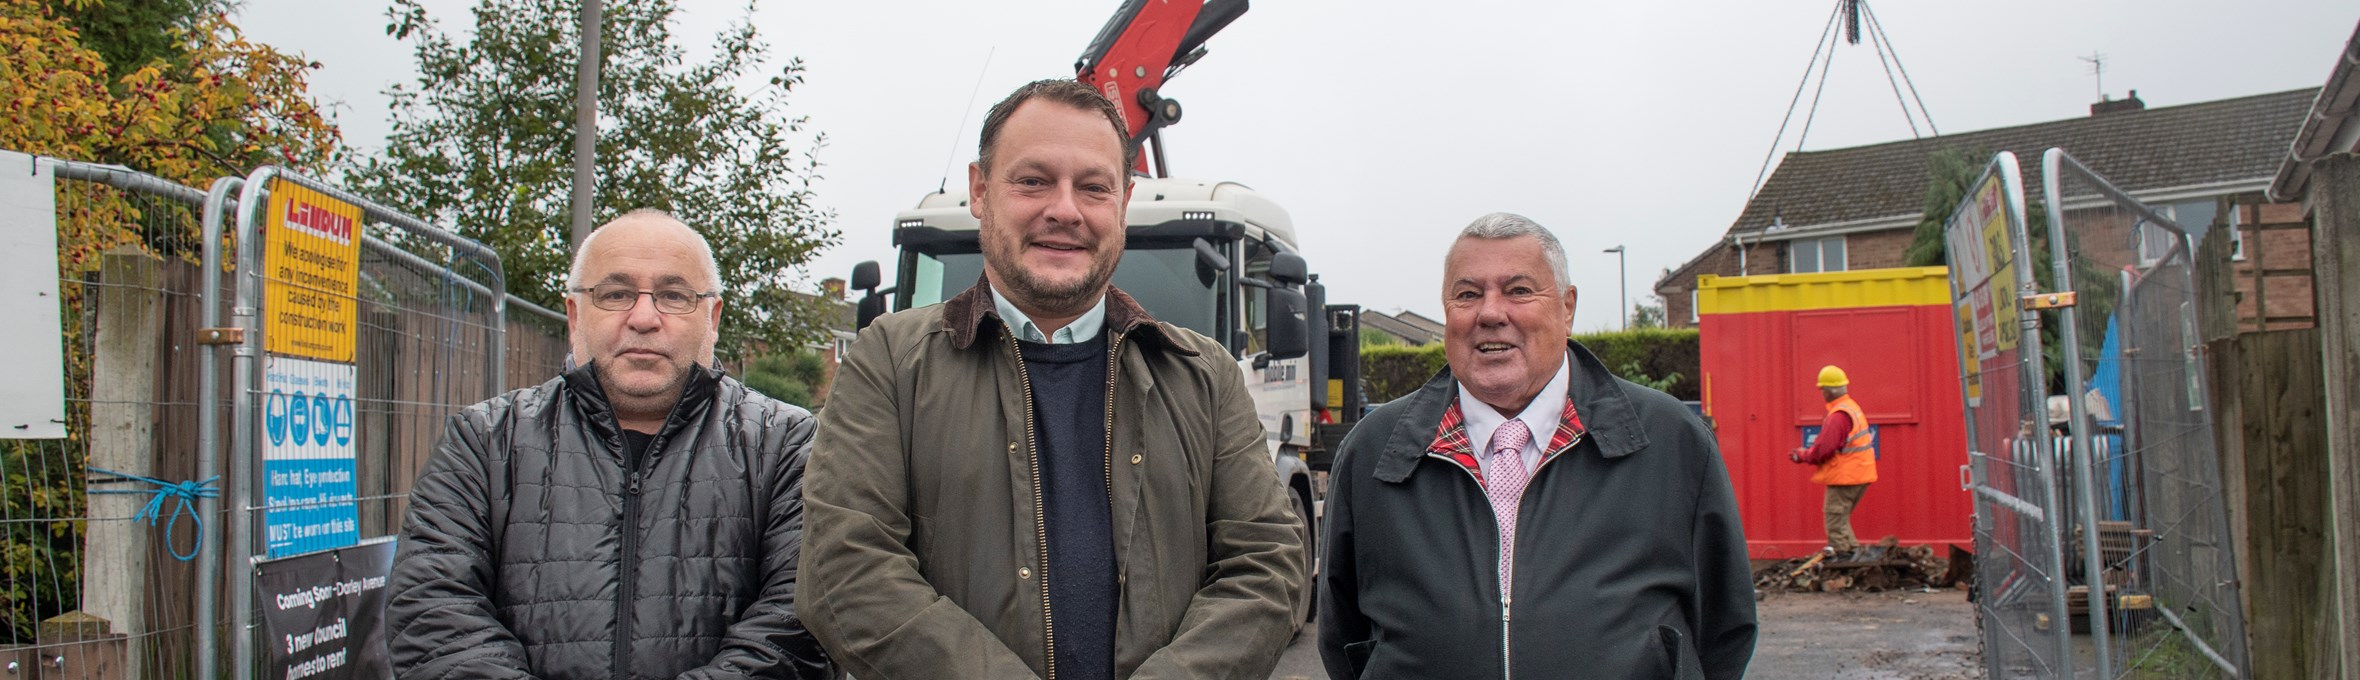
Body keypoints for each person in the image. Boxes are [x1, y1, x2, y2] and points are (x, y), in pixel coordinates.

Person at [798, 79, 1305, 680]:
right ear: (980, 191)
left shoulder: (1206, 375)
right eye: (1033, 180)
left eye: (1093, 187)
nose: (1064, 209)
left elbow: (1267, 566)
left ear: (1122, 203)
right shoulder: (888, 360)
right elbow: (844, 570)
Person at [385, 210, 836, 679]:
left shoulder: (788, 446)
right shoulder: (484, 442)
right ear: (575, 314)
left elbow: (800, 625)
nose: (644, 317)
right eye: (616, 293)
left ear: (712, 316)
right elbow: (433, 616)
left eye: (674, 295)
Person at [1318, 213, 1757, 680]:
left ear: (1567, 308)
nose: (1490, 313)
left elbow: (1724, 630)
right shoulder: (1374, 450)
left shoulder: (1670, 440)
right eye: (1468, 294)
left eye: (1519, 290)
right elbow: (1343, 636)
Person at [1789, 364, 1879, 555]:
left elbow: (1824, 448)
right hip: (1860, 474)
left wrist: (1802, 455)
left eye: (1822, 389)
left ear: (1828, 391)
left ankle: (1842, 558)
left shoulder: (1838, 415)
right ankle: (1855, 555)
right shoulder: (1851, 408)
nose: (1822, 393)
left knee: (1835, 518)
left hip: (1845, 476)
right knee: (1842, 519)